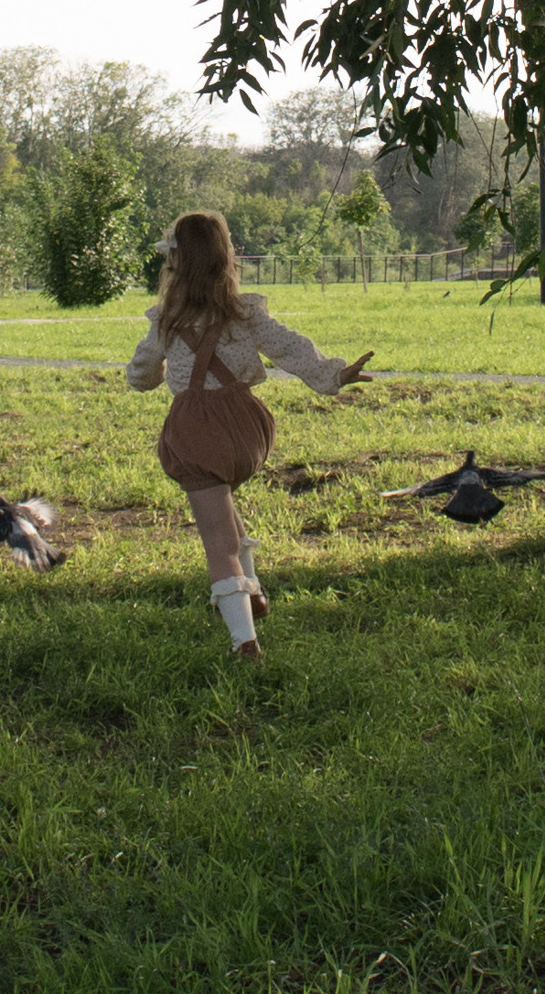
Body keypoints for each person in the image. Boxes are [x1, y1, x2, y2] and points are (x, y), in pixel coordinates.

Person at [125, 208, 371, 659]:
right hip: (248, 430)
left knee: (217, 540)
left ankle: (243, 641)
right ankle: (253, 593)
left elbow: (140, 374)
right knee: (226, 512)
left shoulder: (167, 320)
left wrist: (155, 374)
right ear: (227, 259)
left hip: (198, 433)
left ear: (175, 262)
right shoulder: (245, 312)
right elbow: (290, 348)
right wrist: (334, 374)